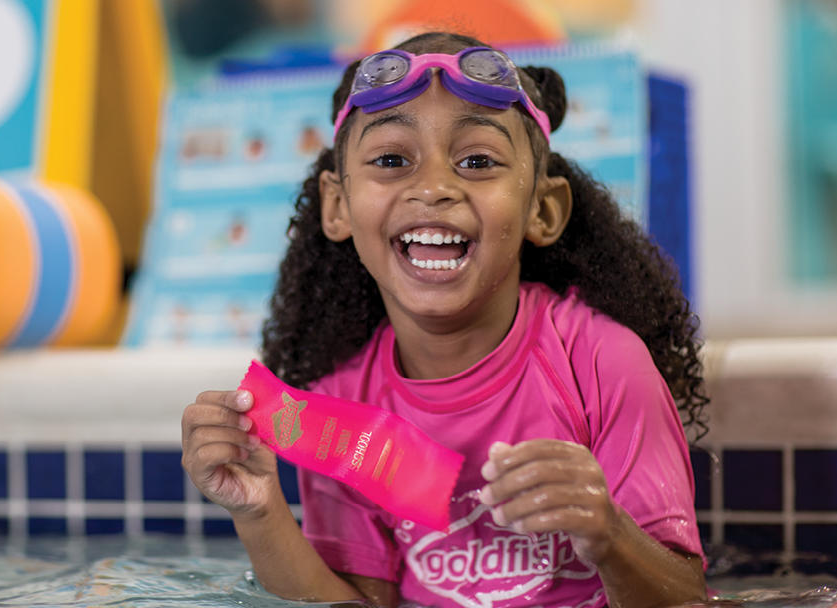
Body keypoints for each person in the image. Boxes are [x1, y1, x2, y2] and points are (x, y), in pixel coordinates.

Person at [181, 31, 709, 608]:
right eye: (391, 160)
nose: (433, 188)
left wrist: (609, 533)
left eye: (477, 161)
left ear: (542, 208)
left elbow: (684, 596)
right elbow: (358, 603)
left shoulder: (603, 363)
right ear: (338, 206)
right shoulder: (341, 405)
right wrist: (259, 511)